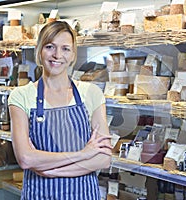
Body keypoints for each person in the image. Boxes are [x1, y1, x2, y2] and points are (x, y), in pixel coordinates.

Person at [8, 21, 112, 200]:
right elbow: (25, 158)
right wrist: (83, 154)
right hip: (39, 194)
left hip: (84, 194)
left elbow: (103, 158)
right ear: (39, 51)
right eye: (50, 47)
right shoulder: (21, 96)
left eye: (65, 49)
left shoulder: (91, 93)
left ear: (73, 55)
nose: (57, 55)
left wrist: (50, 169)